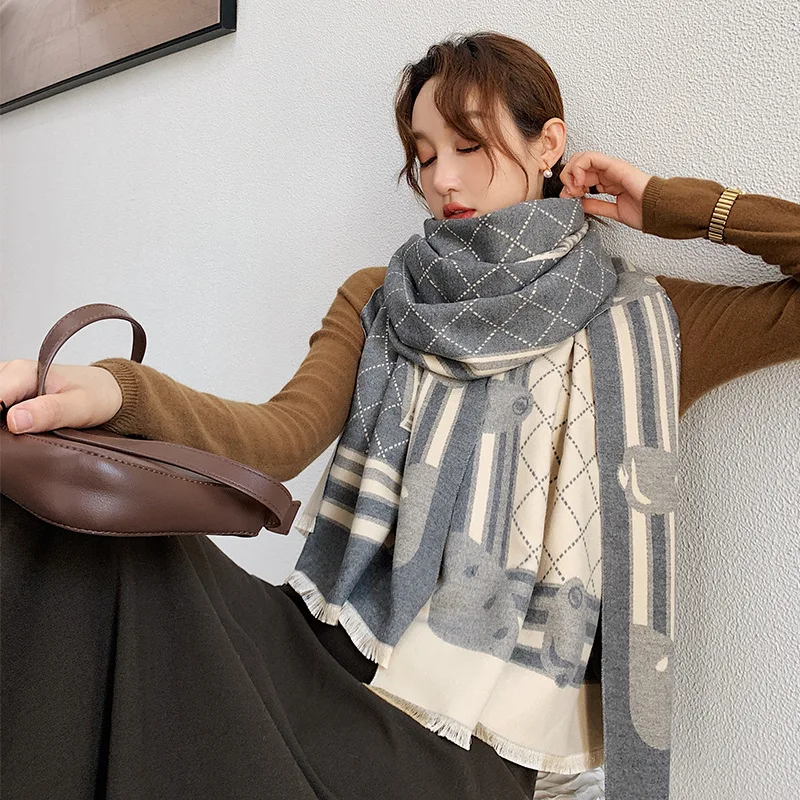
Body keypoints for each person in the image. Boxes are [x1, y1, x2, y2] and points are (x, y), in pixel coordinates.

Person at [1, 30, 798, 800]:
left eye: (469, 145)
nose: (444, 178)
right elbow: (279, 437)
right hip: (331, 659)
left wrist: (666, 203)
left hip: (469, 744)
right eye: (424, 155)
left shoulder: (643, 327)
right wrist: (118, 393)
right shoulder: (382, 298)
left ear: (548, 144)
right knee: (79, 547)